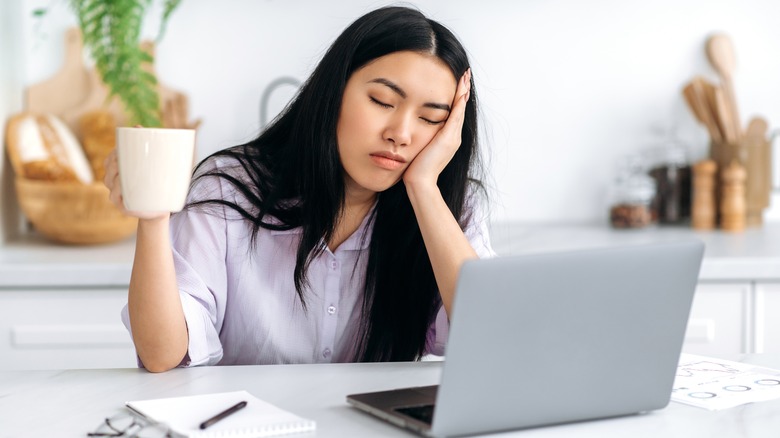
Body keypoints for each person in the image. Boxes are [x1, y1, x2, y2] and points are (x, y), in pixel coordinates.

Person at [104, 5, 495, 372]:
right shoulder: (230, 190)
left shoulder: (452, 210)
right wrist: (153, 218)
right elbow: (162, 356)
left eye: (430, 118)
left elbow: (488, 337)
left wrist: (424, 189)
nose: (401, 134)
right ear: (333, 91)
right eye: (382, 101)